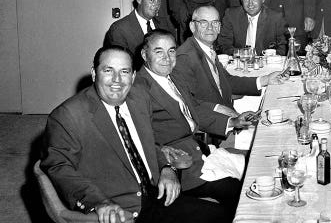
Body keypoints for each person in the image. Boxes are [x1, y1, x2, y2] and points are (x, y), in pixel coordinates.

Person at [41, 46, 222, 223]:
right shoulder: (68, 115)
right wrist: (98, 202)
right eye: (108, 70)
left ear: (133, 76)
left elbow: (148, 144)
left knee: (226, 215)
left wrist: (167, 168)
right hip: (120, 210)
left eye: (125, 72)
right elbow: (59, 166)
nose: (117, 80)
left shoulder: (139, 99)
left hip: (155, 195)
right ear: (94, 74)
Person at [135, 30, 251, 220]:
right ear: (144, 54)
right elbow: (140, 140)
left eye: (171, 51)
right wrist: (166, 166)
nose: (167, 58)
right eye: (159, 52)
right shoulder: (139, 89)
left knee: (250, 172)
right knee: (238, 194)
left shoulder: (173, 77)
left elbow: (194, 110)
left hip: (199, 151)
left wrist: (233, 121)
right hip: (182, 167)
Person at [171, 5, 283, 110]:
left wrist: (266, 79)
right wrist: (230, 119)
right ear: (192, 26)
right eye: (204, 22)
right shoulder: (184, 57)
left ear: (219, 28)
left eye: (215, 23)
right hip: (212, 123)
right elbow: (191, 105)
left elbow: (226, 81)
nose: (210, 28)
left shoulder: (206, 49)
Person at [104, 0, 174, 69]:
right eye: (152, 0)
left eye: (159, 2)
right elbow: (121, 66)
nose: (156, 6)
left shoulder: (165, 23)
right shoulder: (119, 29)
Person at [218, 0, 288, 56]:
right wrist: (241, 53)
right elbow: (224, 44)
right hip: (239, 63)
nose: (250, 4)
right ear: (241, 0)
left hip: (266, 63)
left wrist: (269, 55)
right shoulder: (231, 15)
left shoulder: (276, 18)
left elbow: (283, 47)